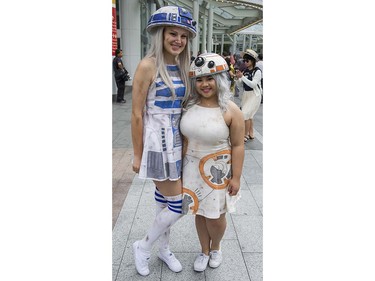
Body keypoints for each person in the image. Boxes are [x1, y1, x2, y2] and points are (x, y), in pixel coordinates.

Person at [130, 5, 196, 276]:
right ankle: (143, 246)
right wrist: (137, 154)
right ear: (160, 34)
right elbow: (136, 114)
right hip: (157, 143)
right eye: (172, 33)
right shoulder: (148, 65)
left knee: (163, 200)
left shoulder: (183, 65)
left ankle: (163, 248)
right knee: (180, 204)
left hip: (179, 142)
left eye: (183, 35)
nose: (178, 40)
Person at [180, 53, 245, 272]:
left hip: (218, 172)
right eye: (199, 79)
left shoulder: (231, 110)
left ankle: (216, 247)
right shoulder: (187, 105)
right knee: (199, 213)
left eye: (210, 78)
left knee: (215, 217)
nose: (205, 84)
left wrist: (236, 177)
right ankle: (203, 250)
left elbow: (238, 145)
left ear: (220, 80)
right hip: (191, 170)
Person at [235, 49, 262, 142]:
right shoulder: (245, 71)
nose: (245, 62)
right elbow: (240, 85)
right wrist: (238, 78)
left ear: (253, 61)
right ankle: (251, 133)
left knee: (244, 114)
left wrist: (242, 77)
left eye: (247, 60)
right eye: (244, 60)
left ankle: (244, 135)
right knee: (249, 115)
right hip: (246, 95)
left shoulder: (257, 71)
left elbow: (253, 84)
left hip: (255, 95)